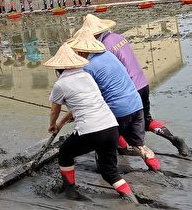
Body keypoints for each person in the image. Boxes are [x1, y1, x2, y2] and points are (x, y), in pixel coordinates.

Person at [81, 14, 190, 156]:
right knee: (146, 119)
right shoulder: (119, 37)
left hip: (128, 89)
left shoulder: (104, 47)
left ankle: (123, 150)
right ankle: (173, 139)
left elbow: (109, 74)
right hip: (142, 83)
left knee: (114, 122)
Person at [45, 43, 137, 203]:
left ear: (58, 68)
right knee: (109, 173)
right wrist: (63, 122)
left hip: (90, 131)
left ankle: (70, 191)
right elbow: (81, 105)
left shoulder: (60, 84)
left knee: (65, 153)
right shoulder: (87, 76)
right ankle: (132, 200)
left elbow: (54, 110)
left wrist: (53, 125)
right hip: (111, 127)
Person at [68, 28, 161, 171]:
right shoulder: (109, 55)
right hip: (136, 103)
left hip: (119, 109)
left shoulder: (87, 68)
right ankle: (156, 168)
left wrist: (73, 114)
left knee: (103, 136)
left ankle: (106, 171)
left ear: (81, 51)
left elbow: (88, 98)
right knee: (138, 143)